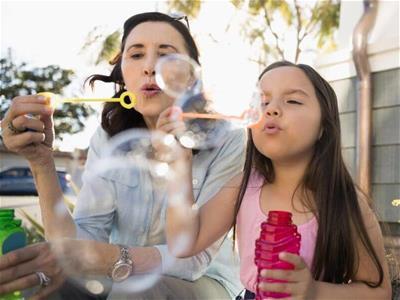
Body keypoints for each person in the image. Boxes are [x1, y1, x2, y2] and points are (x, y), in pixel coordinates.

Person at [0, 12, 245, 299]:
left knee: (133, 294)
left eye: (166, 54)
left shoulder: (230, 140)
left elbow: (192, 261)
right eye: (137, 55)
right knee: (44, 286)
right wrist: (41, 163)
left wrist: (112, 260)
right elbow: (79, 245)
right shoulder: (107, 137)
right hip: (117, 276)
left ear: (191, 75)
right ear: (123, 74)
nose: (150, 67)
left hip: (207, 283)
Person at [165, 61, 393, 299]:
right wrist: (180, 163)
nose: (271, 109)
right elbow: (184, 244)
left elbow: (380, 292)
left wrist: (314, 291)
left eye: (292, 100)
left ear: (323, 127)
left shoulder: (345, 202)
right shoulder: (242, 186)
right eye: (262, 102)